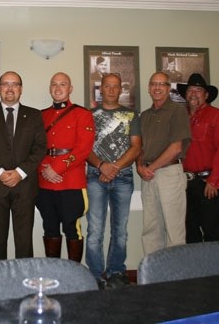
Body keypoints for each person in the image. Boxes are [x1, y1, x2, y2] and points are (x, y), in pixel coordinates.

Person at [0, 71, 46, 261]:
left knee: (24, 241)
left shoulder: (34, 115)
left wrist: (20, 173)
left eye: (14, 84)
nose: (10, 88)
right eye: (5, 84)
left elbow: (40, 148)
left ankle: (24, 283)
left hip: (25, 185)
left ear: (21, 89)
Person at [85, 73, 141, 289]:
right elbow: (84, 147)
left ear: (120, 89)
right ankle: (96, 275)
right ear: (101, 89)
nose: (111, 90)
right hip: (94, 176)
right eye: (107, 86)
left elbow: (136, 147)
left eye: (115, 86)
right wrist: (102, 166)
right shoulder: (88, 115)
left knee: (120, 230)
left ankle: (116, 271)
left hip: (123, 177)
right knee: (95, 230)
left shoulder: (131, 115)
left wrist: (114, 167)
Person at [37, 72, 94, 263]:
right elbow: (35, 148)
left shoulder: (82, 114)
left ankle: (75, 276)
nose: (58, 88)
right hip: (45, 181)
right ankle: (54, 274)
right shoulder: (41, 116)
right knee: (50, 227)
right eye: (54, 84)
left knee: (72, 228)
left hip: (71, 181)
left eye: (63, 84)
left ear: (70, 89)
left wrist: (58, 168)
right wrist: (46, 169)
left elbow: (83, 149)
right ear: (49, 88)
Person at [136, 72, 191, 255]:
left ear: (168, 88)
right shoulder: (144, 115)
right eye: (153, 84)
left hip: (169, 173)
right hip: (148, 176)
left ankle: (175, 279)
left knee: (174, 231)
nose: (157, 88)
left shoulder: (178, 111)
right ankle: (153, 276)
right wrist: (139, 166)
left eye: (162, 84)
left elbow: (176, 148)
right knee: (151, 230)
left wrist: (150, 168)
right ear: (149, 88)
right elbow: (139, 147)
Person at [178, 73, 219, 243]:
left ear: (206, 95)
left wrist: (213, 180)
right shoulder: (180, 117)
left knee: (211, 229)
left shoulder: (217, 116)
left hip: (207, 182)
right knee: (189, 230)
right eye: (190, 90)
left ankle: (217, 269)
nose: (194, 93)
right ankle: (195, 269)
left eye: (198, 90)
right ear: (186, 94)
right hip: (185, 183)